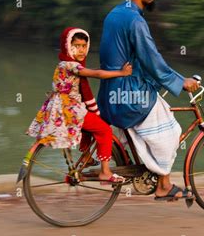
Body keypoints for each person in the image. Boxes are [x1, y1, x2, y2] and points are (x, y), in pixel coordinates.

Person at [97, 0, 200, 200]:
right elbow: (152, 60)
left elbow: (141, 61)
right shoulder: (135, 21)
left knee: (156, 110)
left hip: (109, 94)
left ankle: (149, 173)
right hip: (128, 96)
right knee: (172, 129)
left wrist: (170, 78)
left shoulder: (114, 14)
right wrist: (180, 82)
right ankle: (164, 185)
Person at [27, 27, 132, 184]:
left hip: (65, 110)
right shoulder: (70, 65)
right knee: (104, 130)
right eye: (76, 46)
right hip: (71, 111)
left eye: (84, 46)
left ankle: (87, 158)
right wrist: (121, 73)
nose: (81, 50)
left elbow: (90, 71)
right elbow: (96, 74)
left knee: (91, 127)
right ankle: (105, 172)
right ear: (68, 46)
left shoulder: (64, 64)